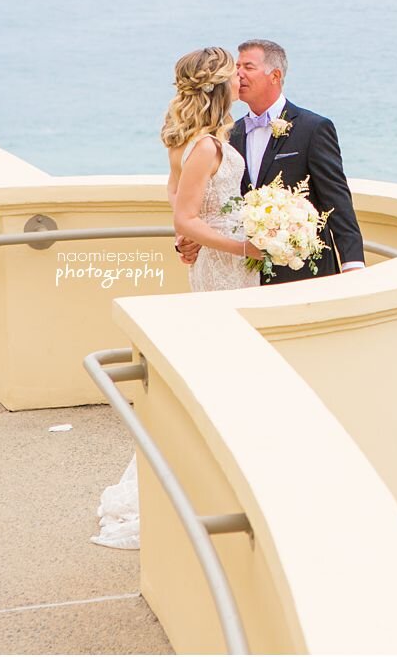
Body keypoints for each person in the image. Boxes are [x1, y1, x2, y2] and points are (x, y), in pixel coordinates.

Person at [92, 46, 264, 550]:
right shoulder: (207, 146)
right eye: (235, 75)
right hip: (227, 265)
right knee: (227, 365)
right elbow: (183, 216)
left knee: (222, 365)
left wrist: (199, 232)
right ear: (220, 86)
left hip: (215, 261)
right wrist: (241, 242)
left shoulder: (191, 142)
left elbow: (177, 199)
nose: (241, 81)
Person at [178, 39, 366, 284]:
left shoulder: (313, 128)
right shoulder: (228, 134)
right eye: (237, 67)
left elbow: (337, 198)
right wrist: (186, 240)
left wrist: (353, 263)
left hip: (304, 269)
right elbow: (210, 200)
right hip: (244, 270)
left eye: (248, 67)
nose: (238, 74)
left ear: (275, 75)